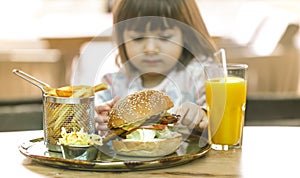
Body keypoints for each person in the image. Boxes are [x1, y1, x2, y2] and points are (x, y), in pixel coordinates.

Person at [94, 0, 218, 136]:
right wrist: (97, 121)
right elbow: (90, 129)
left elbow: (220, 118)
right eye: (138, 38)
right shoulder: (111, 85)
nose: (150, 49)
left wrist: (203, 115)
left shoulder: (198, 75)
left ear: (186, 36)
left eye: (165, 37)